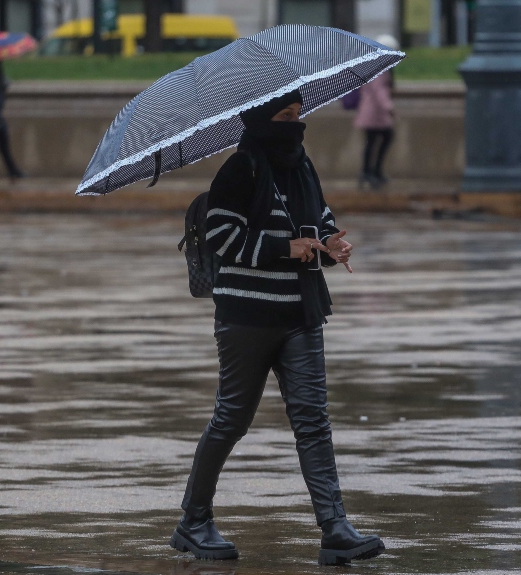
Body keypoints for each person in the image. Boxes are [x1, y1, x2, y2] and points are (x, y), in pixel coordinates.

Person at [170, 91, 383, 566]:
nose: (295, 126)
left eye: (298, 116)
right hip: (247, 317)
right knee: (232, 419)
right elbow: (223, 236)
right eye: (285, 117)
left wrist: (330, 242)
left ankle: (334, 528)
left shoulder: (301, 165)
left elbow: (318, 216)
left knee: (313, 420)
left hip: (300, 314)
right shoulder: (238, 169)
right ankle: (193, 521)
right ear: (263, 120)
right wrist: (287, 248)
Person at [356, 34, 398, 190]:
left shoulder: (375, 65)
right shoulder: (378, 67)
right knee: (378, 140)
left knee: (373, 141)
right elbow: (379, 90)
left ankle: (371, 171)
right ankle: (371, 171)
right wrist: (389, 107)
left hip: (374, 112)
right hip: (374, 112)